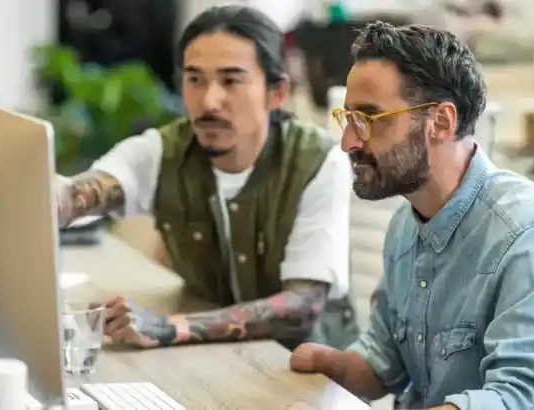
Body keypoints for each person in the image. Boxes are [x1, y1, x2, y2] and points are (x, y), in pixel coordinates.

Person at [289, 22, 534, 410]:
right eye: (348, 119)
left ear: (441, 122)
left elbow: (520, 399)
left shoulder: (530, 233)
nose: (349, 141)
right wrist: (325, 363)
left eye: (369, 119)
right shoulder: (406, 226)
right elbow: (384, 361)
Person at [56, 5, 359, 351]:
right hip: (213, 356)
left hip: (309, 368)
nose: (208, 101)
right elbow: (81, 192)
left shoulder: (319, 161)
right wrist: (54, 197)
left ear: (276, 93)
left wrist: (168, 328)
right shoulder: (164, 151)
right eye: (194, 79)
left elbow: (302, 307)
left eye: (231, 81)